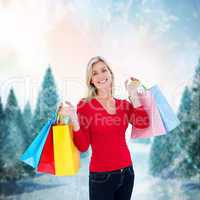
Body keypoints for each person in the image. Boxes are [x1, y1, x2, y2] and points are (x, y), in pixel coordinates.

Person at [58, 56, 150, 200]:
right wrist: (73, 118)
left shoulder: (123, 105)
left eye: (103, 70)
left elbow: (143, 122)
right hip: (101, 177)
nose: (100, 75)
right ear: (91, 80)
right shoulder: (85, 105)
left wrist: (132, 93)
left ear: (110, 74)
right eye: (95, 73)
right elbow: (83, 146)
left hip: (127, 173)